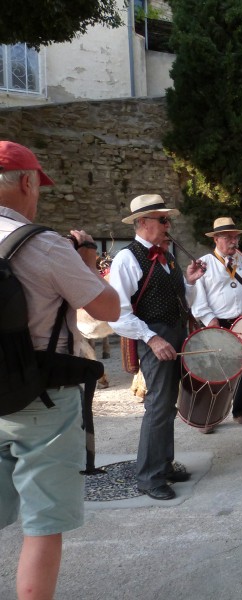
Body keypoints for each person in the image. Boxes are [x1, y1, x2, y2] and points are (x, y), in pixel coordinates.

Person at [0, 141, 120, 600]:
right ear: (27, 182)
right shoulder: (44, 245)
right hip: (42, 398)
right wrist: (85, 261)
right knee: (42, 525)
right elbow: (105, 306)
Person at [107, 194, 206, 500]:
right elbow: (117, 313)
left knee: (168, 404)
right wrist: (151, 338)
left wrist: (188, 282)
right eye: (163, 220)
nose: (168, 225)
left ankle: (163, 464)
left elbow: (180, 302)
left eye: (168, 219)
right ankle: (149, 476)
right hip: (155, 337)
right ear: (143, 223)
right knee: (158, 406)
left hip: (174, 332)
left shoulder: (168, 257)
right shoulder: (127, 258)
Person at [191, 217, 242, 432]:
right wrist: (210, 320)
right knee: (214, 371)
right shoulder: (204, 262)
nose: (234, 241)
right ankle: (208, 418)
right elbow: (198, 298)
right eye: (228, 237)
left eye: (235, 237)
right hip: (217, 321)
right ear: (216, 239)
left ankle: (241, 411)